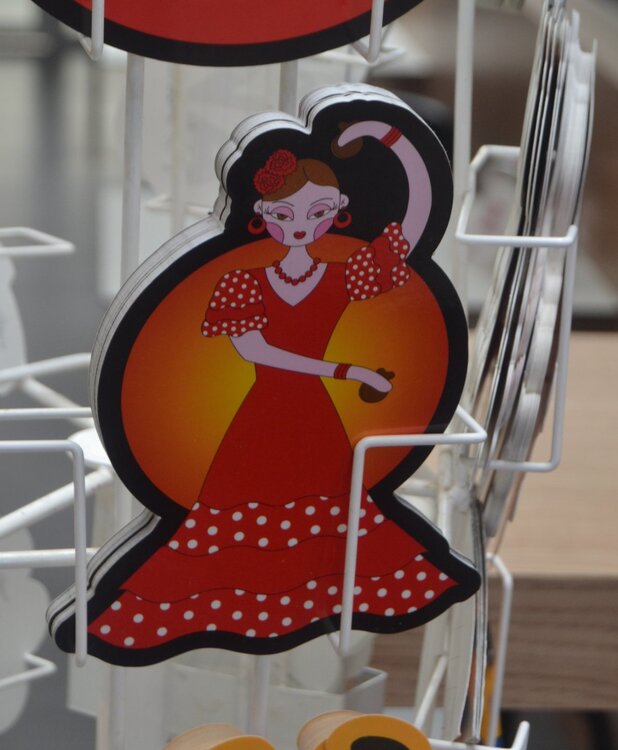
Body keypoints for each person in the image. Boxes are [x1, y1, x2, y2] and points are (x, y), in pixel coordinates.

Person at [69, 121, 477, 662]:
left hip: (316, 422)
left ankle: (297, 608)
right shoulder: (242, 281)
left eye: (317, 212)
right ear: (262, 213)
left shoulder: (341, 275)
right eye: (284, 215)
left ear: (338, 210)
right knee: (236, 517)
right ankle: (228, 613)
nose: (300, 226)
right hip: (265, 417)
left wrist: (398, 143)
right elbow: (257, 352)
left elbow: (414, 234)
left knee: (330, 526)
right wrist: (348, 372)